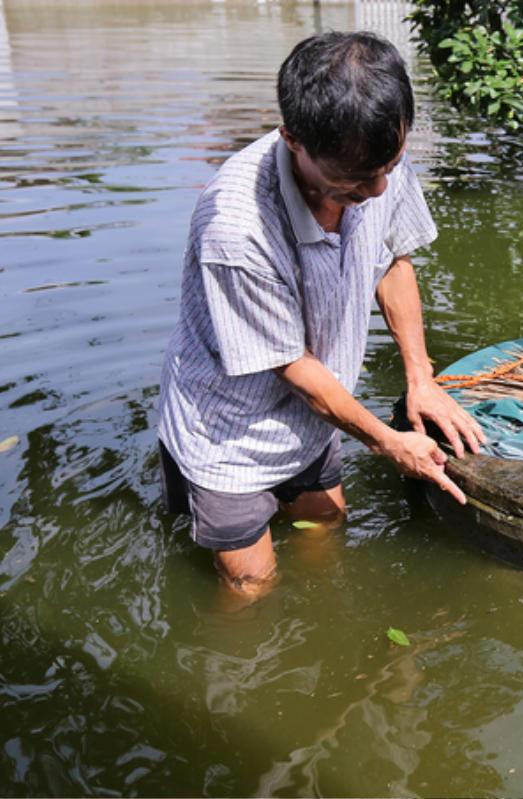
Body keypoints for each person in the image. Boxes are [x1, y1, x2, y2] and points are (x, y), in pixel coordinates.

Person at [157, 31, 484, 598]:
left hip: (320, 411)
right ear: (292, 140)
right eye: (356, 181)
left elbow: (392, 261)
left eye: (390, 166)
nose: (380, 188)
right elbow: (292, 368)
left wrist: (420, 379)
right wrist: (388, 441)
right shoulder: (236, 226)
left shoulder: (376, 158)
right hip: (231, 431)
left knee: (328, 527)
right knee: (251, 587)